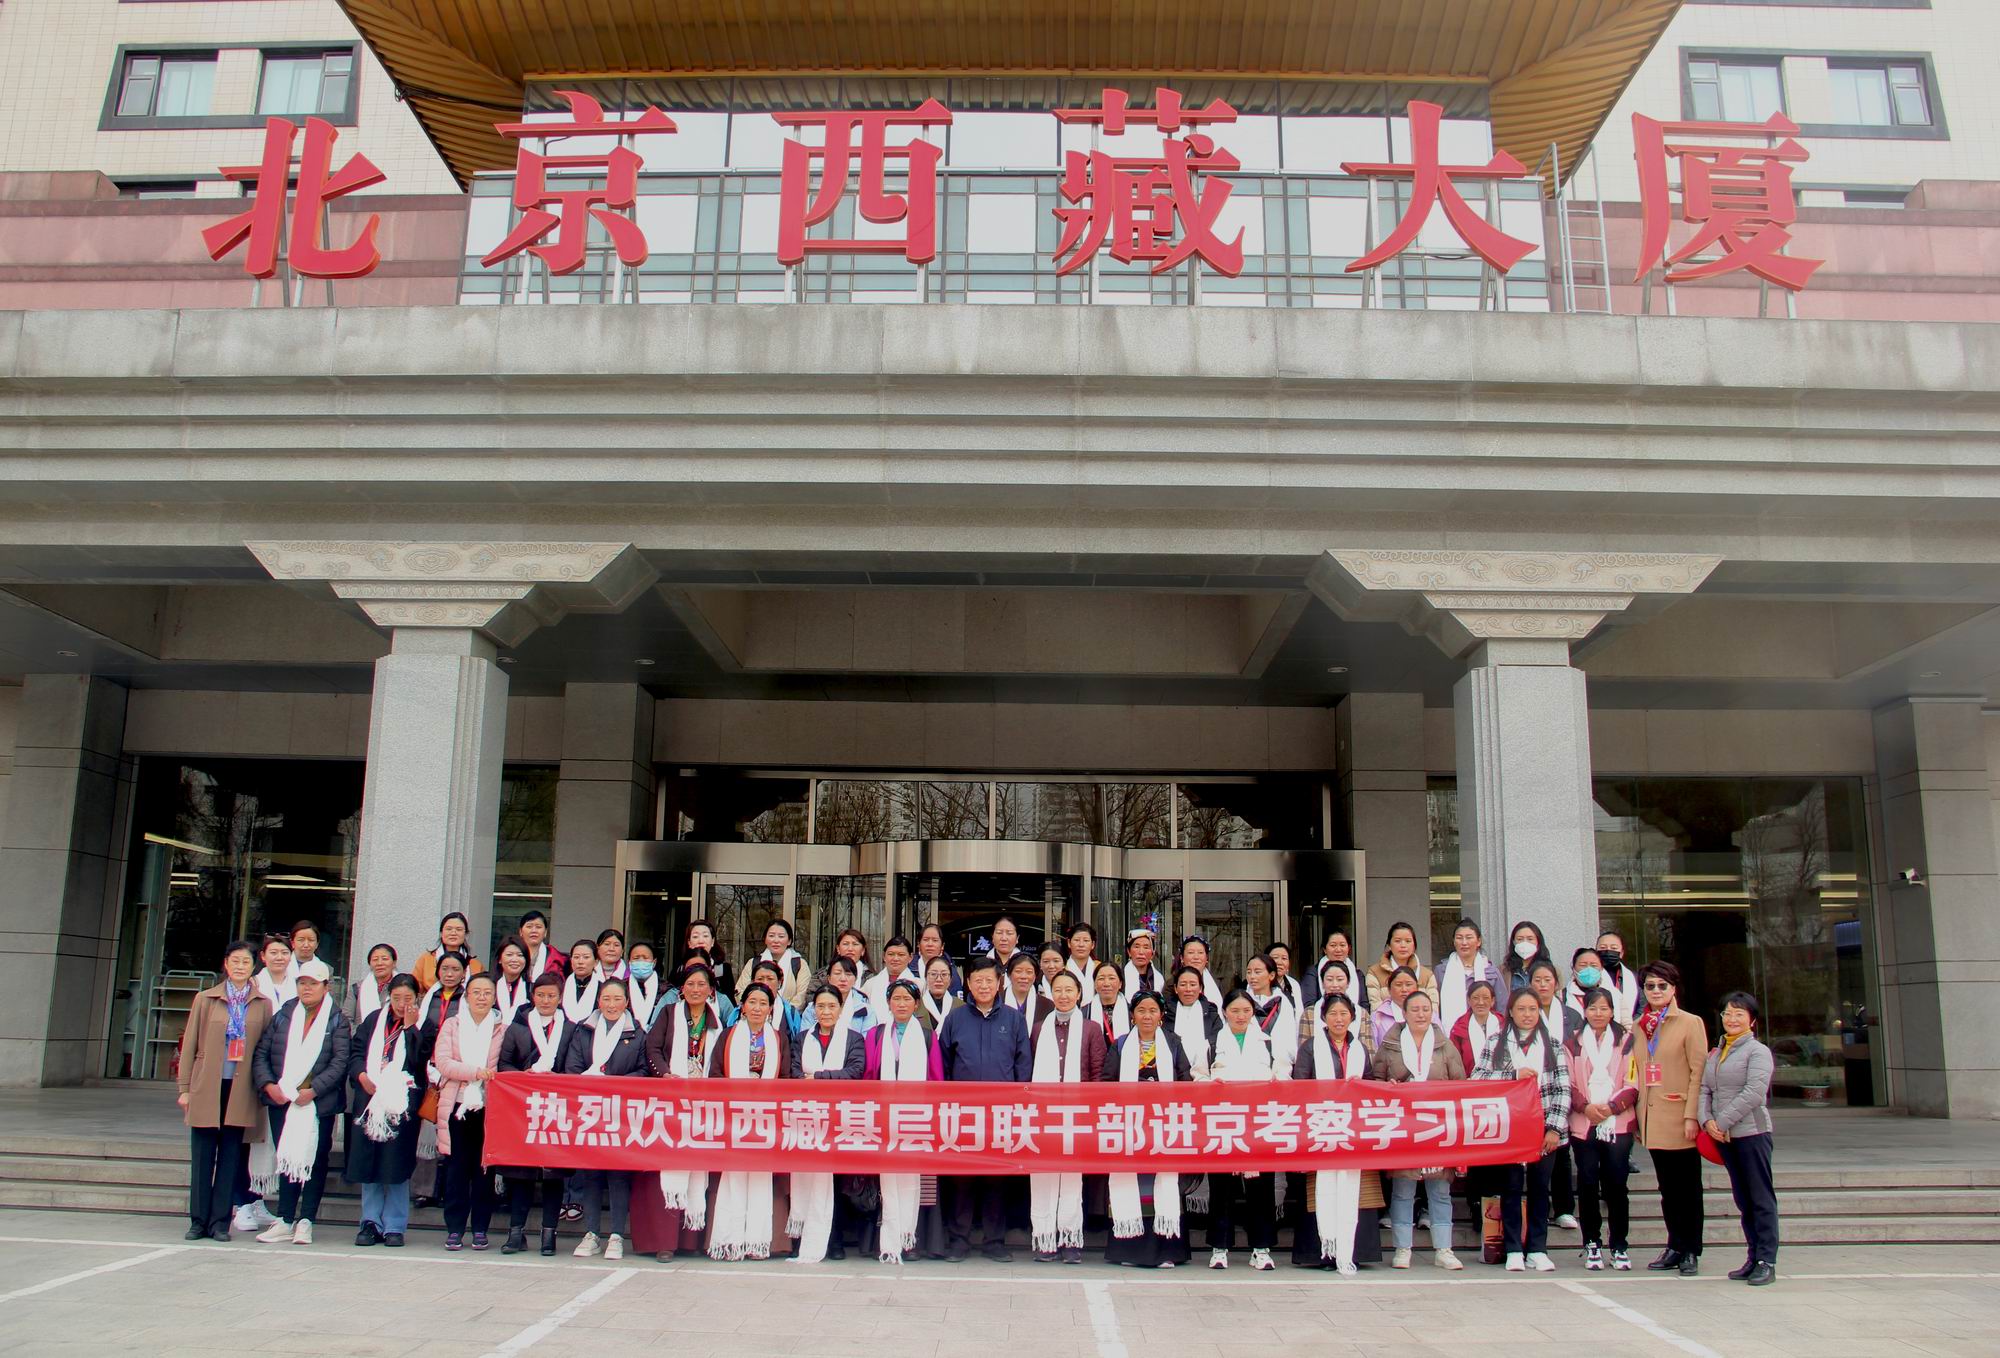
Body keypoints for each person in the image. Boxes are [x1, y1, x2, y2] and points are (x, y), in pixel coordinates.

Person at [178, 940, 273, 1241]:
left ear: (254, 966)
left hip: (240, 1088)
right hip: (207, 1085)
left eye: (246, 962)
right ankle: (198, 1221)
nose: (240, 967)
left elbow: (264, 1050)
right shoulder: (206, 999)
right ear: (226, 964)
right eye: (235, 961)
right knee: (203, 1156)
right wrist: (184, 1088)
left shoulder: (262, 1003)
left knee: (231, 1156)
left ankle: (220, 1222)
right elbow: (190, 1045)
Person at [251, 957, 349, 1246]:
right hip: (283, 1098)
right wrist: (269, 1085)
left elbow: (340, 1061)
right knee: (287, 1157)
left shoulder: (336, 1019)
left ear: (326, 987)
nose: (306, 988)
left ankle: (306, 1220)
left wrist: (314, 1090)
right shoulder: (284, 1014)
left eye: (313, 983)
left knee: (314, 1161)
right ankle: (284, 1218)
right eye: (302, 983)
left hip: (318, 1103)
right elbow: (262, 1052)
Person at [937, 957, 1030, 1261]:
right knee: (961, 1178)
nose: (984, 986)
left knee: (996, 1179)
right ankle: (959, 1240)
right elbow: (944, 1065)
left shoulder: (1014, 1020)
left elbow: (1022, 1065)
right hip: (962, 1113)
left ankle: (994, 1241)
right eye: (978, 980)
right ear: (968, 983)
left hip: (1001, 1114)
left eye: (990, 980)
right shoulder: (955, 1019)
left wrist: (1018, 1105)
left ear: (1000, 982)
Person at [1476, 988, 1572, 1272]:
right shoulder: (1496, 1042)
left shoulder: (1552, 1045)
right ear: (1511, 1012)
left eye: (1532, 1009)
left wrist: (1553, 1129)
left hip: (1544, 1128)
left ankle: (1538, 1248)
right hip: (1511, 1128)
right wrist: (1512, 1075)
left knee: (1540, 1188)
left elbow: (1563, 1089)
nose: (1527, 1015)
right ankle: (1513, 1248)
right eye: (1521, 1009)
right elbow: (1478, 1078)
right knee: (1511, 1187)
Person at [636, 962, 726, 1260]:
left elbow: (721, 1059)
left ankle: (690, 1240)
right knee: (667, 1167)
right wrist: (664, 1074)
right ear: (681, 989)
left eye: (701, 985)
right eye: (690, 984)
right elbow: (653, 1049)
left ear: (711, 990)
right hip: (669, 1101)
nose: (695, 990)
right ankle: (664, 1242)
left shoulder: (717, 1022)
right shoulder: (668, 1013)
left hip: (703, 1104)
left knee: (697, 1166)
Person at [1371, 988, 1464, 1271]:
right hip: (1403, 1127)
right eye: (1415, 1009)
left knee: (1440, 1190)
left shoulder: (1445, 1046)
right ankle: (1403, 1248)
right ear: (1404, 1013)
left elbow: (1460, 1085)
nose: (1421, 1014)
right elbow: (1375, 1083)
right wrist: (1389, 1088)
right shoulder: (1390, 1046)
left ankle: (1444, 1249)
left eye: (1425, 1009)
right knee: (1403, 1189)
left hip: (1438, 1127)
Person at [1290, 993, 1383, 1274]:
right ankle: (1324, 1253)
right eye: (1333, 1014)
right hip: (1320, 1126)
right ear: (1323, 1018)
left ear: (1352, 1017)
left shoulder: (1359, 1049)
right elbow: (1300, 1085)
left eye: (1344, 1014)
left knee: (1359, 1191)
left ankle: (1355, 1251)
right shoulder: (1310, 1047)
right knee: (1321, 1190)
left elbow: (1370, 1083)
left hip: (1353, 1129)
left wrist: (1360, 1086)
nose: (1339, 1019)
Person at [1101, 990, 1193, 1269]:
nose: (1147, 1016)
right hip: (1129, 1125)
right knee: (1132, 1184)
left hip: (1165, 1125)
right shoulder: (1120, 1045)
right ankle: (1130, 1250)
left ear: (1161, 1015)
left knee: (1164, 1184)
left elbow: (1185, 1081)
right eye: (1141, 1010)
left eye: (1153, 1010)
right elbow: (1107, 1083)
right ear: (1133, 1015)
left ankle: (1166, 1250)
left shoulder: (1173, 1043)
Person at [561, 975, 647, 1260]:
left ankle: (617, 1235)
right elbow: (572, 1067)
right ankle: (592, 1233)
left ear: (627, 1002)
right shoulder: (584, 1030)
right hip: (589, 1110)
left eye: (617, 999)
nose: (611, 1004)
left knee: (618, 1175)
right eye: (606, 999)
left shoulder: (637, 1033)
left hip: (621, 1113)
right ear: (599, 1001)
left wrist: (612, 1083)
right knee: (591, 1173)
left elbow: (643, 1071)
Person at [707, 981, 793, 1261]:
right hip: (733, 1116)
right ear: (742, 1007)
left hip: (765, 1117)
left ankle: (757, 1242)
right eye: (752, 1002)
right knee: (733, 1176)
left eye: (763, 1003)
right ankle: (729, 1241)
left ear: (771, 1009)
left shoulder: (778, 1038)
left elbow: (786, 1078)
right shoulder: (728, 1036)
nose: (757, 1008)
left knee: (759, 1177)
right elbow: (715, 1074)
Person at [1635, 961, 1708, 1276]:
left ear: (1673, 988)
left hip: (1680, 1116)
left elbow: (1698, 1072)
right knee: (1667, 1189)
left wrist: (1693, 1115)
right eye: (1650, 986)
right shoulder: (1639, 1026)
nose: (1656, 991)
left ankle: (1691, 1249)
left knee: (1688, 1188)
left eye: (1662, 985)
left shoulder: (1690, 1023)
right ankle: (1674, 1244)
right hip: (1652, 1117)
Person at [345, 972, 428, 1248]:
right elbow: (356, 1053)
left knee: (396, 1164)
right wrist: (361, 1076)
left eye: (408, 998)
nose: (402, 1004)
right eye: (396, 998)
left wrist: (411, 1029)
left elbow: (419, 1061)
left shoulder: (424, 1024)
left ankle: (394, 1225)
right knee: (368, 1160)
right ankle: (370, 1222)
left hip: (402, 1103)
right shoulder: (373, 1021)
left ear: (417, 998)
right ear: (388, 997)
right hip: (370, 1099)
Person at [1028, 971, 1105, 1263]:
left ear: (1079, 994)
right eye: (1057, 990)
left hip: (1078, 1112)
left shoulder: (1091, 1029)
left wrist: (1092, 1111)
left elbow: (1098, 1074)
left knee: (1072, 1177)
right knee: (1044, 1173)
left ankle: (1070, 1239)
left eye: (1069, 990)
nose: (1063, 995)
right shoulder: (1039, 1029)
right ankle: (1045, 1239)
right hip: (1044, 1113)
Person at [864, 980, 944, 1263]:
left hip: (915, 1116)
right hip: (883, 1115)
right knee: (887, 1176)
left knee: (911, 1174)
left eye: (907, 999)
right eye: (896, 998)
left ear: (916, 1004)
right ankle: (889, 1239)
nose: (901, 1004)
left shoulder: (927, 1036)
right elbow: (869, 1075)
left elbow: (936, 1077)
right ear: (888, 1003)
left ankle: (908, 1238)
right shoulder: (875, 1034)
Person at [1703, 992, 1779, 1287]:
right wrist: (1706, 1121)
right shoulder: (1717, 1052)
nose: (1732, 1019)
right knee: (1743, 1199)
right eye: (1727, 1013)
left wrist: (1721, 1122)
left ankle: (1767, 1260)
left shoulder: (1758, 1052)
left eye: (1739, 1014)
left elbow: (1754, 1093)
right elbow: (1704, 1089)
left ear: (1752, 1020)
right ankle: (1753, 1256)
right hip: (1725, 1137)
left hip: (1751, 1134)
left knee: (1760, 1198)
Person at [495, 971, 571, 1255]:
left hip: (557, 1108)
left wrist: (557, 1079)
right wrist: (523, 1077)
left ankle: (549, 1233)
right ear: (532, 996)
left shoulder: (570, 1028)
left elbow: (574, 1066)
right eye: (541, 995)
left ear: (560, 998)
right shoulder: (517, 1028)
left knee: (553, 1175)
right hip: (523, 1108)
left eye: (551, 996)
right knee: (521, 1174)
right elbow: (504, 1064)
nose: (546, 1000)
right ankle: (516, 1232)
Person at [790, 984, 867, 1263]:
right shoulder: (801, 1038)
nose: (825, 1011)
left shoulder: (854, 1039)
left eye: (831, 1006)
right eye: (820, 1006)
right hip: (806, 1118)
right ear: (813, 1010)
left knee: (834, 1181)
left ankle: (834, 1241)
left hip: (839, 1118)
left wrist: (818, 1078)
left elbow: (854, 1071)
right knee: (806, 1177)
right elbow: (793, 1072)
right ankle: (802, 1238)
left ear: (840, 1009)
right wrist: (821, 1078)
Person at [1206, 990, 1281, 1271]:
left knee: (1261, 1189)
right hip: (1223, 1122)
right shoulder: (1212, 1042)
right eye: (1235, 1011)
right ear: (1224, 1012)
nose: (1240, 1016)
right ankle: (1219, 1247)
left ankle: (1261, 1248)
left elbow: (1282, 1075)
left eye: (1246, 1011)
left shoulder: (1268, 1042)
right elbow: (1198, 1075)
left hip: (1259, 1124)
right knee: (1221, 1188)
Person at [1568, 987, 1638, 1271]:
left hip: (1617, 1122)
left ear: (1612, 1011)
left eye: (1604, 1008)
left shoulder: (1627, 1041)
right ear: (1585, 1011)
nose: (1598, 1013)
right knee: (1587, 1182)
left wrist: (1611, 1107)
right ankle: (1592, 1242)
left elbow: (1633, 1081)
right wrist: (1586, 1107)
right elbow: (1568, 1082)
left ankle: (1619, 1245)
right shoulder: (1572, 1042)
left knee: (1616, 1184)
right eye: (1593, 1008)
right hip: (1584, 1122)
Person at [434, 972, 505, 1250]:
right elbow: (443, 1062)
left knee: (484, 1170)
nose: (481, 998)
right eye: (476, 992)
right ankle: (454, 1229)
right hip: (457, 1105)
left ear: (494, 997)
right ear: (467, 996)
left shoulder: (502, 1029)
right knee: (457, 1170)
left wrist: (488, 1075)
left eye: (487, 993)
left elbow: (504, 1067)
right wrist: (476, 1072)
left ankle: (480, 1228)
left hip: (490, 1108)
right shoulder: (452, 1025)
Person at [1436, 918, 1501, 1033]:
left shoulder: (1491, 971)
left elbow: (1502, 1005)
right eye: (1459, 938)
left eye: (1469, 937)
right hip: (1450, 1034)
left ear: (1478, 941)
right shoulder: (1441, 971)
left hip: (1488, 1032)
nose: (1464, 942)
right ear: (1454, 941)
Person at [1364, 922, 1438, 1012]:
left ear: (1414, 946)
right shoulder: (1375, 972)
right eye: (1397, 941)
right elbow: (1376, 1010)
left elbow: (1433, 1011)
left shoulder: (1427, 975)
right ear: (1389, 945)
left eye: (1408, 941)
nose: (1403, 945)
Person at [1244, 952, 1300, 1068]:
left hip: (1278, 1068)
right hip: (1247, 1066)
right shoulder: (1241, 1002)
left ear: (1271, 975)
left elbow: (1288, 1041)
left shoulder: (1283, 1003)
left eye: (1257, 972)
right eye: (1249, 972)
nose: (1252, 976)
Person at [747, 918, 812, 1008]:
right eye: (771, 936)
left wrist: (784, 1012)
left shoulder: (799, 963)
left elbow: (802, 995)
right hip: (756, 1012)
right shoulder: (753, 962)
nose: (776, 940)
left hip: (788, 1015)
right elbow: (741, 991)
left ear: (789, 941)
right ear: (765, 939)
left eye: (781, 936)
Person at [412, 912, 483, 991]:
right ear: (441, 933)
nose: (453, 933)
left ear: (466, 934)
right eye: (449, 929)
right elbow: (413, 989)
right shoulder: (426, 959)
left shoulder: (475, 965)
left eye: (459, 929)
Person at [861, 935, 921, 1020]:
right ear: (884, 956)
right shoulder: (871, 984)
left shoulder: (919, 984)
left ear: (910, 957)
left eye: (901, 955)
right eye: (891, 954)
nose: (895, 958)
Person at [1306, 929, 1362, 1009]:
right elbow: (1309, 1004)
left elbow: (1364, 1005)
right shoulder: (1313, 973)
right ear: (1324, 949)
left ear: (1349, 948)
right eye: (1333, 945)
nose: (1338, 950)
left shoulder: (1358, 974)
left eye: (1342, 945)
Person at [1595, 929, 1640, 1024]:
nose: (1608, 951)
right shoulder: (1590, 977)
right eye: (1603, 947)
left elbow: (1641, 1007)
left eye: (1614, 948)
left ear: (1621, 953)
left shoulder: (1634, 978)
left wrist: (1629, 1026)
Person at [416, 950, 468, 1030]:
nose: (449, 974)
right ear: (438, 971)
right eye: (444, 969)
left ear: (464, 973)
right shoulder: (431, 996)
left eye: (455, 969)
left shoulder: (468, 997)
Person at [1499, 920, 1551, 998]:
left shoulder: (1550, 970)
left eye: (1530, 939)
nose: (1525, 943)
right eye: (1520, 939)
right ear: (1513, 942)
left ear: (1538, 942)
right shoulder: (1503, 971)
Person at [1371, 967, 1420, 1047]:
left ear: (1417, 987)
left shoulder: (1429, 1014)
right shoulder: (1378, 1016)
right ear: (1389, 989)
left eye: (1408, 984)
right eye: (1398, 985)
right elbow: (1373, 1049)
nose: (1404, 989)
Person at [1083, 961, 1129, 1044]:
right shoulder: (1084, 1012)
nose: (1106, 984)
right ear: (1094, 984)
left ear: (1120, 984)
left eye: (1111, 978)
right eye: (1101, 978)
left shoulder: (1132, 1012)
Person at [684, 918, 732, 997]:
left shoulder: (723, 969)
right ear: (689, 942)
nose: (701, 941)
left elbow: (729, 1000)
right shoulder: (679, 969)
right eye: (695, 937)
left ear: (712, 941)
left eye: (705, 936)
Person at [351, 943, 396, 1023]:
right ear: (370, 964)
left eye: (384, 959)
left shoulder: (402, 986)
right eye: (375, 959)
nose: (379, 963)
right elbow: (346, 1020)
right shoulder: (357, 988)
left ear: (394, 963)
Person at [491, 937, 534, 1021]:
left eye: (520, 955)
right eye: (509, 955)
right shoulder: (489, 985)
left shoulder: (532, 989)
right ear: (499, 959)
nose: (514, 959)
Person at [1177, 934, 1226, 1006]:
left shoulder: (1218, 983)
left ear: (1206, 958)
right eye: (1191, 952)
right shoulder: (1173, 983)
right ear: (1182, 958)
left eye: (1200, 953)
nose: (1196, 957)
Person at [1002, 951, 1046, 1029]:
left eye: (1029, 972)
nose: (1023, 976)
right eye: (1018, 971)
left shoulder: (1047, 1005)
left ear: (1035, 976)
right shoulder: (997, 1002)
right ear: (1009, 974)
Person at [518, 909, 565, 982]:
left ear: (545, 932)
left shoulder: (556, 959)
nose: (534, 931)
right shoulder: (511, 955)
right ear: (520, 931)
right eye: (529, 926)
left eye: (538, 927)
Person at [916, 923, 962, 996]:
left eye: (935, 940)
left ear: (942, 946)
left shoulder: (950, 971)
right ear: (918, 944)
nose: (930, 944)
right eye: (925, 940)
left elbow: (956, 1000)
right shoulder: (909, 968)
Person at [625, 942, 664, 1028]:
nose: (641, 961)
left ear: (654, 962)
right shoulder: (621, 987)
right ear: (629, 962)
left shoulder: (666, 989)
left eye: (645, 958)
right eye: (636, 958)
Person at [560, 939, 601, 1021]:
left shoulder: (603, 989)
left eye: (586, 957)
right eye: (576, 957)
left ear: (596, 962)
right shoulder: (560, 987)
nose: (580, 962)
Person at [253, 933, 295, 1009]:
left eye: (284, 953)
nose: (279, 957)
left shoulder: (298, 983)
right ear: (263, 956)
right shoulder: (253, 983)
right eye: (273, 953)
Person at [918, 955, 959, 1032]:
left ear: (950, 979)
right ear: (926, 978)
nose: (939, 979)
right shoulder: (916, 1005)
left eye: (944, 974)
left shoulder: (960, 1006)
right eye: (933, 974)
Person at [1122, 928, 1166, 997]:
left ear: (1152, 954)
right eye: (1136, 947)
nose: (1141, 952)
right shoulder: (1121, 977)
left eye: (1146, 947)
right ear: (1129, 951)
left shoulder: (1159, 979)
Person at [1266, 941, 1306, 1011]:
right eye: (1275, 957)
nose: (1279, 962)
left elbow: (1299, 1012)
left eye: (1284, 958)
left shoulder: (1294, 984)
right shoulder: (1260, 983)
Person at [1064, 921, 1100, 985]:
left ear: (1093, 944)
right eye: (1076, 940)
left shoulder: (1100, 968)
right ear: (1069, 943)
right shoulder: (1062, 969)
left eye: (1086, 940)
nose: (1081, 945)